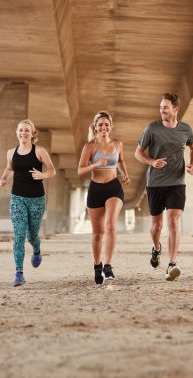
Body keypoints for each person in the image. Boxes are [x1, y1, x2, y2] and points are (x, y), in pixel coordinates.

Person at [135, 93, 193, 281]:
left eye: (165, 107)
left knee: (173, 221)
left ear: (175, 109)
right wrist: (151, 161)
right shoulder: (152, 128)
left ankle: (172, 264)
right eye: (161, 107)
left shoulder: (185, 129)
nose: (162, 110)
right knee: (157, 226)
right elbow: (138, 152)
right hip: (155, 183)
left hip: (177, 183)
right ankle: (156, 248)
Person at [0, 119, 56, 287]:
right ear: (17, 132)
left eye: (27, 131)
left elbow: (51, 170)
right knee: (19, 235)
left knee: (32, 235)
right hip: (17, 198)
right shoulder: (11, 152)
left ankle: (37, 249)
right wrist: (3, 179)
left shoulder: (40, 151)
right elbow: (10, 168)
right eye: (21, 130)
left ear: (32, 134)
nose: (23, 133)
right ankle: (19, 273)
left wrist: (43, 175)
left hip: (37, 200)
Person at [78, 111, 130, 285]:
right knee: (97, 234)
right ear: (95, 127)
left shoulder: (118, 144)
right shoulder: (89, 147)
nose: (104, 127)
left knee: (111, 226)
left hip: (113, 187)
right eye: (100, 124)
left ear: (110, 126)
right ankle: (97, 265)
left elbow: (121, 161)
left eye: (106, 124)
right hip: (95, 190)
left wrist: (125, 174)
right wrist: (96, 164)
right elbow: (80, 170)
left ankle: (108, 265)